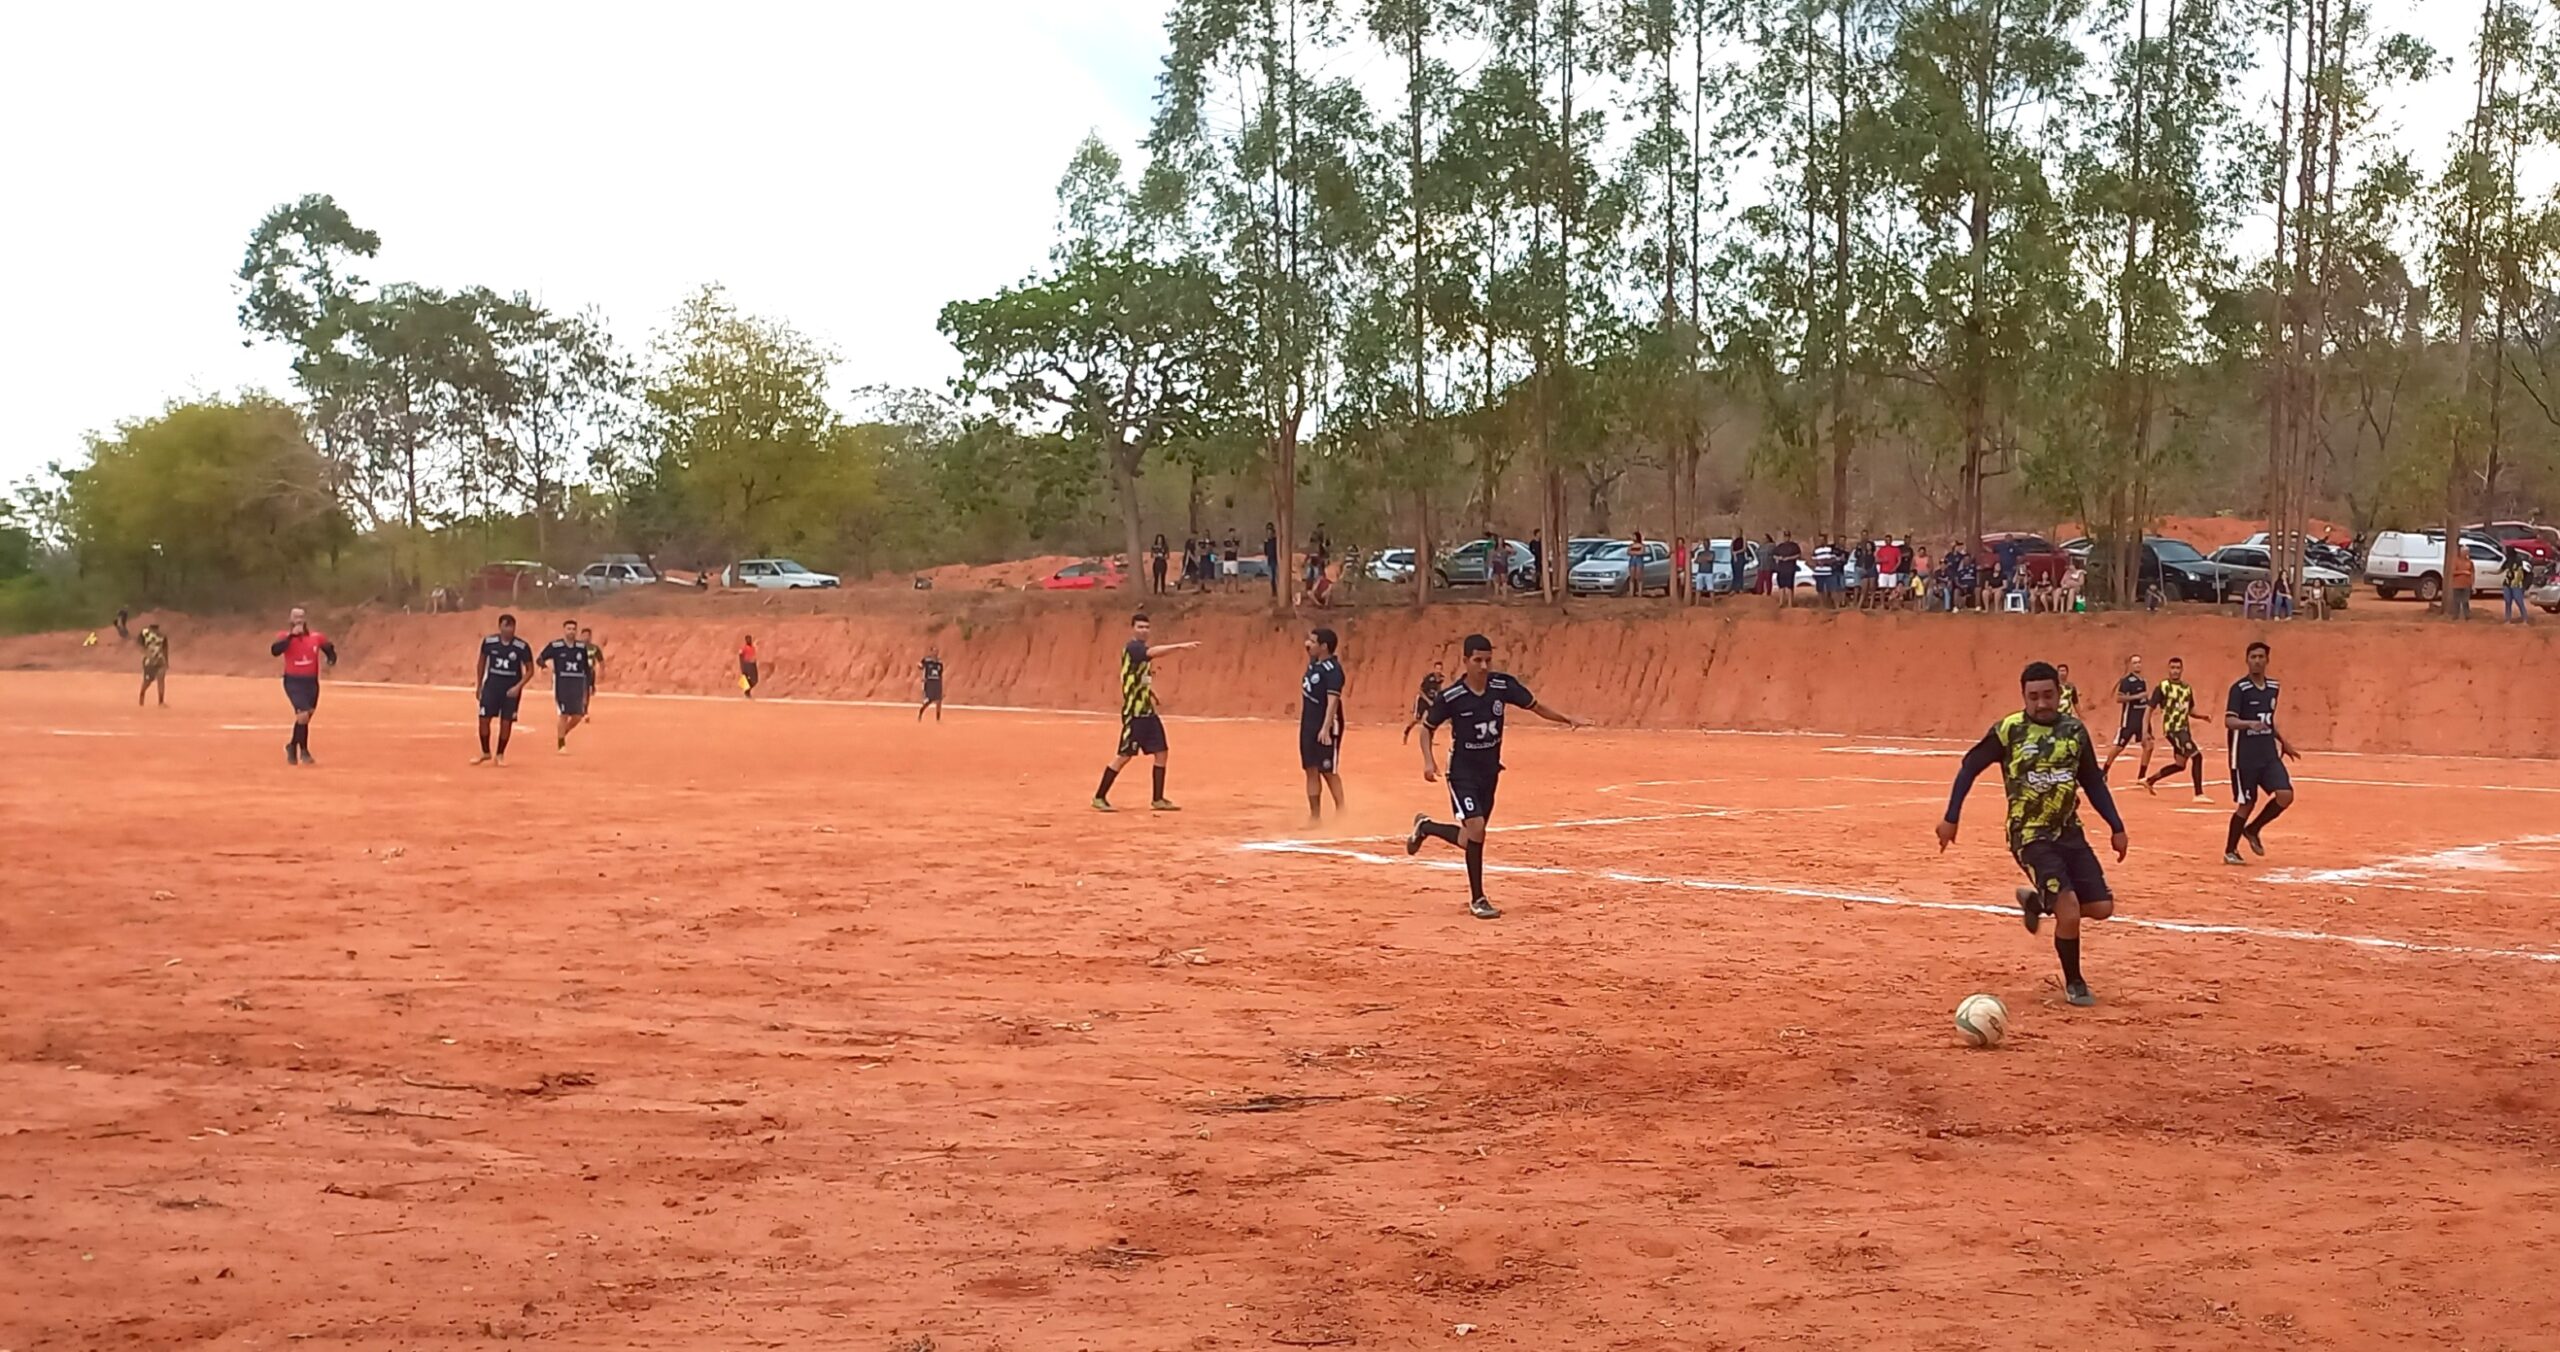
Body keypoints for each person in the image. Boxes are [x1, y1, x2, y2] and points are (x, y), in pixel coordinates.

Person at [1936, 660, 2128, 1008]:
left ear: (2060, 694)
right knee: (2068, 910)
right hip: (2029, 835)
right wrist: (1951, 817)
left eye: (2048, 695)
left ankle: (2037, 902)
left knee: (2102, 907)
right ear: (2024, 697)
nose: (2042, 704)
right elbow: (1969, 767)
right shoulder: (2009, 730)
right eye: (2034, 697)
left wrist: (2116, 826)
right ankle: (2075, 982)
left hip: (2070, 832)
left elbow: (2092, 782)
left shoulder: (2074, 732)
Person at [1405, 633, 1583, 921]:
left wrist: (1567, 719)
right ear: (1465, 661)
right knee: (1477, 829)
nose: (1484, 666)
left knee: (1469, 837)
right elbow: (1427, 728)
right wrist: (1428, 761)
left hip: (1490, 770)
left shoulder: (1503, 685)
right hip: (1461, 771)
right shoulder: (1452, 696)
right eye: (1478, 660)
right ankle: (1478, 899)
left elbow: (1535, 706)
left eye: (1488, 659)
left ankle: (1426, 827)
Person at [1094, 612, 1198, 812]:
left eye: (1146, 627)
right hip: (1135, 713)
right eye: (1140, 627)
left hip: (1148, 711)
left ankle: (1158, 799)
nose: (1144, 630)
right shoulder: (1133, 648)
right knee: (1124, 755)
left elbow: (1139, 676)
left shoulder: (1140, 651)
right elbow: (1153, 653)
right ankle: (1099, 797)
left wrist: (1150, 693)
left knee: (1161, 752)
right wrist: (1179, 646)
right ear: (1133, 629)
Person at [2222, 640, 2301, 866]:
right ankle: (2230, 850)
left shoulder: (2274, 687)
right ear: (2247, 660)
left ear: (2267, 660)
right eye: (2253, 657)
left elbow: (2268, 719)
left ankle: (2254, 829)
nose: (2257, 661)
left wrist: (2283, 741)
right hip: (2244, 756)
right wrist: (2248, 724)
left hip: (2267, 753)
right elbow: (2229, 720)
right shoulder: (2239, 689)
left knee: (2285, 794)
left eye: (2261, 657)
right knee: (2247, 803)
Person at [270, 606, 337, 766]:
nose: (299, 620)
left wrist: (331, 660)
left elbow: (329, 649)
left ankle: (292, 745)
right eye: (295, 617)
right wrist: (291, 637)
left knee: (306, 717)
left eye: (301, 617)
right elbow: (275, 651)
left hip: (311, 682)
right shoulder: (284, 637)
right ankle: (304, 751)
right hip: (294, 681)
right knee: (302, 716)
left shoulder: (316, 637)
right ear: (291, 620)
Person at [2141, 656, 2209, 800]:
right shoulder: (2162, 687)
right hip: (2173, 729)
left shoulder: (2186, 688)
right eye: (2173, 668)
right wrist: (2145, 730)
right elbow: (2149, 709)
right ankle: (2199, 794)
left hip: (2184, 730)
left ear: (2182, 669)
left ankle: (2150, 780)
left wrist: (2202, 716)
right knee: (2197, 757)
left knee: (2180, 765)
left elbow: (2190, 710)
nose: (2175, 671)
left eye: (2178, 668)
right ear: (2168, 669)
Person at [472, 613, 536, 767]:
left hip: (510, 690)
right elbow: (481, 663)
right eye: (506, 626)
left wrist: (518, 687)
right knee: (483, 719)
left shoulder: (522, 646)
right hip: (491, 687)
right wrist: (479, 685)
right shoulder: (489, 642)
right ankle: (485, 751)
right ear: (500, 626)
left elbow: (530, 670)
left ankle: (500, 754)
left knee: (506, 722)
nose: (509, 629)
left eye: (512, 626)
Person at [1300, 626, 1347, 823]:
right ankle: (1315, 816)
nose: (1308, 644)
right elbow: (1308, 649)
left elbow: (1333, 702)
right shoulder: (1314, 664)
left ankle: (1341, 813)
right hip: (1308, 723)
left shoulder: (1334, 671)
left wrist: (1326, 728)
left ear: (1324, 647)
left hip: (1326, 725)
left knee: (1328, 770)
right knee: (1310, 768)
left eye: (1312, 641)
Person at [536, 619, 595, 754]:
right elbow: (540, 658)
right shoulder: (556, 646)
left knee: (578, 716)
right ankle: (561, 744)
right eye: (568, 629)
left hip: (577, 684)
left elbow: (586, 668)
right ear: (564, 630)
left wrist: (590, 684)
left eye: (574, 629)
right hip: (562, 684)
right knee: (563, 714)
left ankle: (563, 732)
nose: (571, 631)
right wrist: (544, 667)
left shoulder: (581, 648)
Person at [2100, 655, 2153, 778]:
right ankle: (2104, 771)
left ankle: (2142, 776)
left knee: (2148, 746)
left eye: (2139, 662)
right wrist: (2137, 696)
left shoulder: (2143, 680)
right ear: (2130, 665)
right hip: (2129, 720)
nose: (2137, 665)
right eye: (2135, 663)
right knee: (2119, 747)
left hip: (2142, 720)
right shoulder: (2126, 681)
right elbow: (2119, 698)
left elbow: (2145, 699)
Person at [1402, 661, 1447, 743]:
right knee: (1416, 719)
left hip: (1432, 701)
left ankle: (1430, 739)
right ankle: (1406, 732)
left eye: (1440, 669)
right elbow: (1421, 691)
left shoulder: (1442, 679)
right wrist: (1428, 701)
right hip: (1423, 700)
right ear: (1434, 669)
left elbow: (1439, 690)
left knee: (1433, 719)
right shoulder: (1429, 679)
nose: (1438, 671)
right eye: (1437, 669)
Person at [137, 621, 169, 708]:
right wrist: (145, 653)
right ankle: (142, 695)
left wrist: (166, 661)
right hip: (149, 661)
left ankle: (161, 701)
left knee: (161, 680)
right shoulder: (145, 634)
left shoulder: (162, 636)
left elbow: (165, 648)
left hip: (160, 660)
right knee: (148, 681)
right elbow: (139, 645)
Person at [580, 627, 605, 718]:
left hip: (589, 672)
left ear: (590, 637)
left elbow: (601, 661)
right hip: (578, 672)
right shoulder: (576, 647)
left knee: (587, 691)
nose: (586, 637)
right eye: (584, 635)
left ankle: (585, 710)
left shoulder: (594, 648)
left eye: (588, 636)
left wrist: (602, 672)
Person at [2503, 549, 2533, 624]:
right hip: (2507, 583)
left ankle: (2525, 619)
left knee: (2519, 601)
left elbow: (2529, 574)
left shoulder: (2521, 562)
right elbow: (2501, 570)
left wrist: (2525, 585)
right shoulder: (2507, 561)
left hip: (2517, 584)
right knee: (2508, 601)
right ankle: (2508, 619)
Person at [1772, 531, 1802, 606]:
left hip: (1790, 568)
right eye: (1785, 536)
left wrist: (1789, 558)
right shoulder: (1780, 546)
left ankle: (1790, 603)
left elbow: (1798, 555)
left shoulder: (1794, 546)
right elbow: (1774, 555)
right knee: (1781, 586)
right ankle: (1781, 602)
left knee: (1789, 586)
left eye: (1787, 536)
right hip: (1781, 569)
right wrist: (1779, 558)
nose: (1786, 538)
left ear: (1789, 537)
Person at [2447, 545, 2475, 620]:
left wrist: (2472, 584)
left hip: (2466, 585)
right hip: (2457, 584)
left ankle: (2467, 616)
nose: (2466, 553)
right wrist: (2463, 572)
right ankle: (2455, 616)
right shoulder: (2456, 561)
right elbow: (2453, 572)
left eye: (2467, 552)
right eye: (2464, 552)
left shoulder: (2470, 562)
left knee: (2465, 601)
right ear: (2461, 552)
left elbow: (2472, 573)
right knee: (2456, 601)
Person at [919, 649, 945, 722]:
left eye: (937, 651)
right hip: (929, 682)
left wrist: (940, 685)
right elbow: (921, 666)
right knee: (929, 701)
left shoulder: (939, 663)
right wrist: (923, 678)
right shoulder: (927, 660)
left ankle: (938, 719)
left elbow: (940, 674)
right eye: (934, 651)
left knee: (939, 701)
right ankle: (921, 712)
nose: (935, 653)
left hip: (937, 683)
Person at [1264, 523, 1280, 598]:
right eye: (1268, 532)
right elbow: (1266, 552)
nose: (1269, 533)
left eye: (1270, 531)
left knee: (1277, 577)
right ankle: (1274, 591)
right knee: (1272, 577)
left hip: (1276, 560)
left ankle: (1279, 591)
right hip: (1270, 560)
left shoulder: (1276, 540)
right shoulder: (1267, 541)